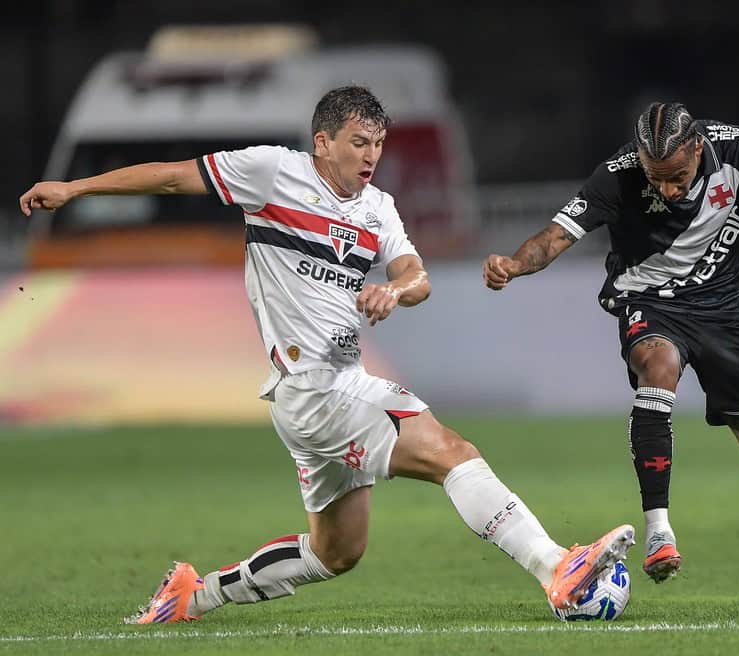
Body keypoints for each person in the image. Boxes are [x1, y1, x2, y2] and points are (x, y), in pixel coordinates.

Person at [19, 85, 634, 623]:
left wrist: (394, 289)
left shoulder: (378, 209)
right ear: (322, 142)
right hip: (314, 387)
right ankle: (557, 568)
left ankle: (195, 596)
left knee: (336, 553)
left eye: (379, 145)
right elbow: (173, 174)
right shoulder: (271, 172)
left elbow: (417, 276)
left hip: (326, 388)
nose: (371, 156)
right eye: (359, 142)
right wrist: (74, 188)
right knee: (452, 452)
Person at [483, 101, 739, 610]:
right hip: (650, 302)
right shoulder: (617, 175)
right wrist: (512, 263)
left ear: (698, 148)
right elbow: (554, 237)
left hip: (726, 315)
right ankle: (658, 531)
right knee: (657, 366)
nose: (666, 189)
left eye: (677, 176)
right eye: (655, 177)